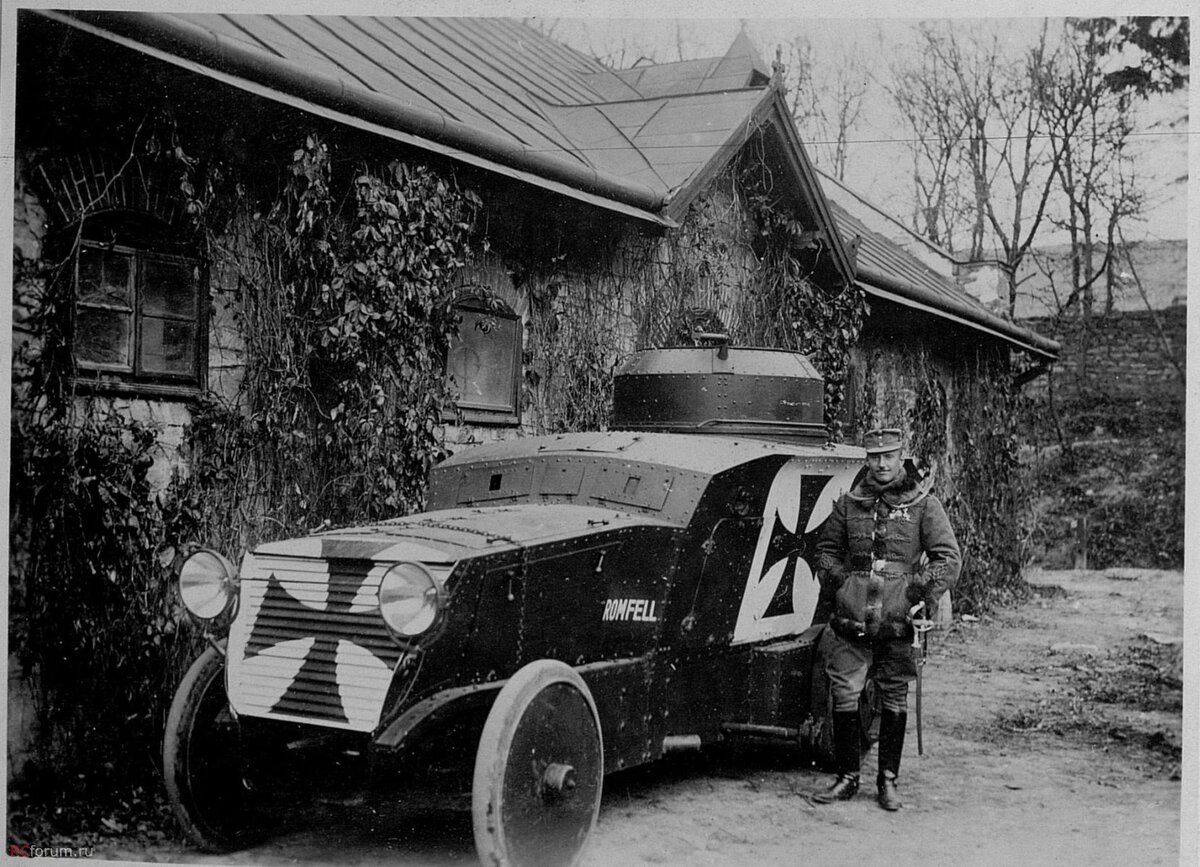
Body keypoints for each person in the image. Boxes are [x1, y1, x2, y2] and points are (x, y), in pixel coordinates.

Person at [811, 427, 961, 810]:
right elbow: (826, 551)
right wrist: (843, 585)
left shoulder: (924, 505)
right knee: (845, 693)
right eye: (875, 457)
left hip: (898, 620)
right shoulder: (849, 504)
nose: (881, 464)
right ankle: (846, 778)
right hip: (852, 620)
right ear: (867, 460)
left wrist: (918, 593)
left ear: (900, 457)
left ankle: (887, 782)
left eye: (889, 456)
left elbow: (948, 559)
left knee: (894, 695)